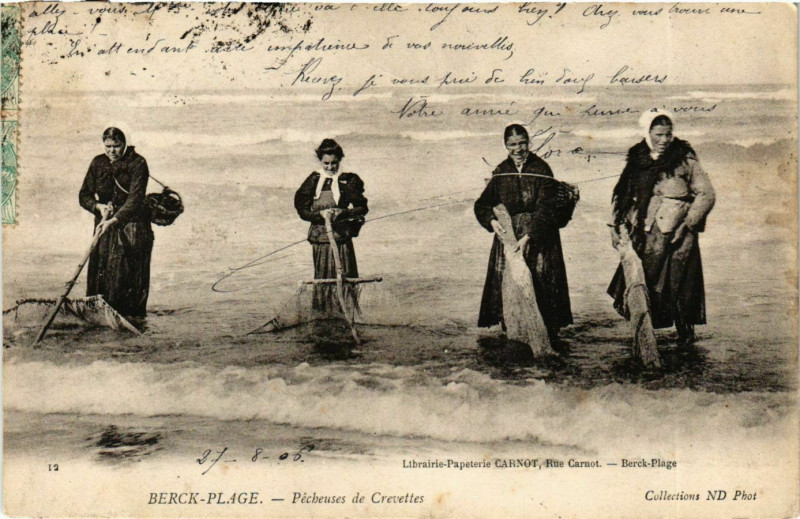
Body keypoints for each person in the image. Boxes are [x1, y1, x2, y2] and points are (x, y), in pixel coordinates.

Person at [608, 111, 715, 347]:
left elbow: (706, 194)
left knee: (681, 285)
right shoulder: (637, 159)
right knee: (645, 281)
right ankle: (645, 335)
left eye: (668, 134)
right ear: (647, 133)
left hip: (679, 235)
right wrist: (613, 227)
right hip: (647, 233)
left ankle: (685, 337)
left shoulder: (685, 160)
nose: (664, 140)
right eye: (658, 134)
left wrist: (688, 224)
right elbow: (621, 194)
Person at [474, 124, 573, 340]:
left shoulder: (541, 169)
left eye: (522, 143)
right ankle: (513, 329)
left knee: (542, 283)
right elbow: (482, 204)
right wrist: (492, 222)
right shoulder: (501, 172)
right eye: (512, 145)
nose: (518, 149)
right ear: (505, 146)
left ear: (529, 143)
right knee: (509, 287)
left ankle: (546, 333)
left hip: (540, 237)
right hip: (509, 237)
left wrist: (529, 236)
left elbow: (547, 208)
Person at [79, 127, 154, 322]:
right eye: (108, 146)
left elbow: (135, 200)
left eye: (116, 146)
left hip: (132, 228)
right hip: (104, 227)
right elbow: (84, 195)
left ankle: (131, 325)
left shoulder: (138, 163)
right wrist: (98, 206)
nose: (112, 151)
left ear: (125, 144)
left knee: (128, 279)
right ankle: (100, 322)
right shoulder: (98, 163)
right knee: (100, 276)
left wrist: (114, 219)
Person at [294, 138, 368, 312]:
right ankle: (325, 316)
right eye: (326, 163)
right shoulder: (313, 180)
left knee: (345, 278)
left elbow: (362, 208)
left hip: (341, 239)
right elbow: (301, 210)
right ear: (320, 161)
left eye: (334, 163)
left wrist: (344, 213)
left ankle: (349, 313)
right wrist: (319, 215)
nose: (330, 167)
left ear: (340, 160)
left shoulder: (348, 181)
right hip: (321, 239)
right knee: (324, 279)